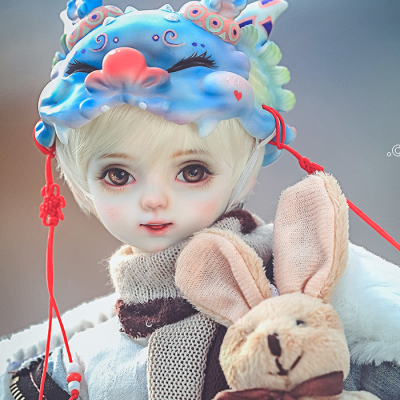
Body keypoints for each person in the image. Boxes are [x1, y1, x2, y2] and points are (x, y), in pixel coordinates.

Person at [1, 0, 399, 399]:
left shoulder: (310, 294)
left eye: (193, 172)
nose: (154, 199)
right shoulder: (83, 357)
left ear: (246, 167)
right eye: (118, 175)